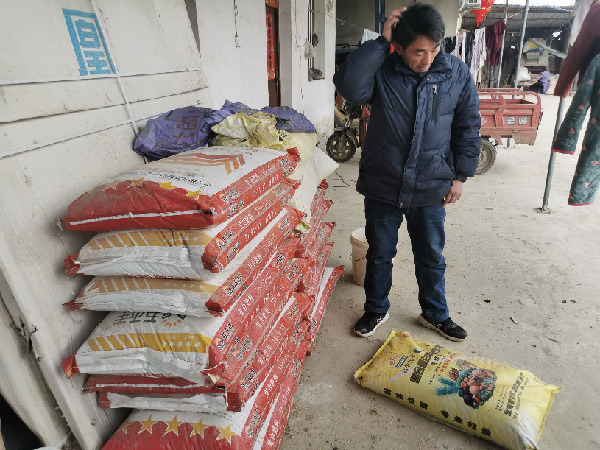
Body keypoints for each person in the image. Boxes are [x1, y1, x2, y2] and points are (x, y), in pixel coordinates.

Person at [333, 3, 481, 341]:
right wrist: (380, 42)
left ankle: (435, 314)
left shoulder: (456, 73)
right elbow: (350, 87)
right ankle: (376, 309)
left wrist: (460, 176)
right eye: (418, 51)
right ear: (398, 47)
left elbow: (468, 125)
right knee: (380, 252)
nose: (427, 59)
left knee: (430, 255)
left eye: (434, 49)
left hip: (431, 183)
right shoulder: (383, 69)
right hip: (384, 182)